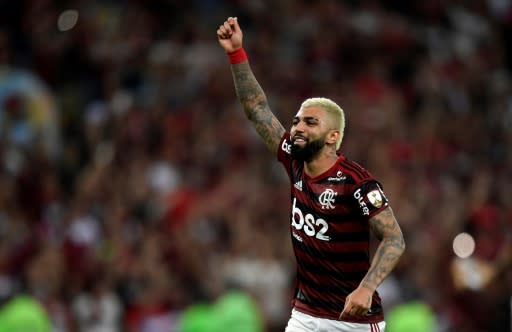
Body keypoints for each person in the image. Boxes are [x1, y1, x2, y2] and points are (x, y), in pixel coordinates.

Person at [216, 17, 406, 332]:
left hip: (353, 320)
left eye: (310, 122)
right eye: (296, 121)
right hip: (305, 315)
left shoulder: (356, 182)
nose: (298, 127)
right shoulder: (293, 159)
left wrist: (367, 287)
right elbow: (257, 108)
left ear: (333, 137)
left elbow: (394, 238)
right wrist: (236, 53)